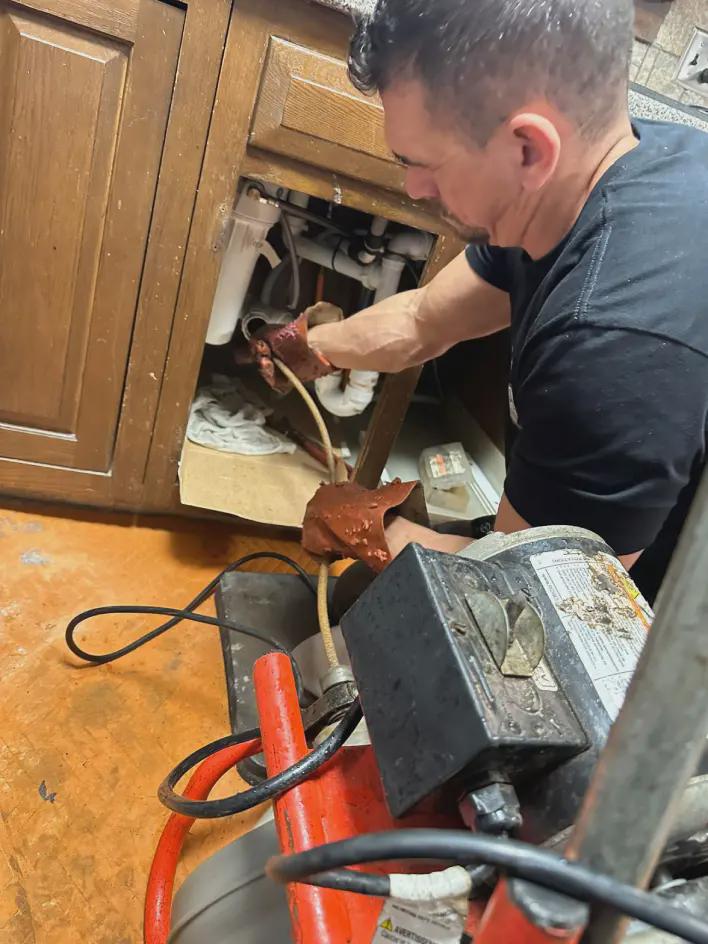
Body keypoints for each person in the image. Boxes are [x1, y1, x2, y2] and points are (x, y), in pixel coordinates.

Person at [261, 0, 708, 604]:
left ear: (528, 149)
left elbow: (534, 596)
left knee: (364, 599)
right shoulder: (615, 168)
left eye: (423, 164)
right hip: (596, 555)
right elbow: (423, 319)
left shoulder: (611, 347)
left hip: (644, 617)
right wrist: (311, 348)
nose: (413, 188)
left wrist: (369, 529)